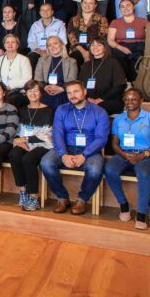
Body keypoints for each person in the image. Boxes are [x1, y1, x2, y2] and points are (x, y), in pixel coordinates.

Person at [40, 80, 108, 216]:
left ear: (85, 92)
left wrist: (84, 155)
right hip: (67, 147)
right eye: (69, 93)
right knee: (46, 162)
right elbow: (57, 133)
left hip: (90, 150)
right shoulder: (62, 109)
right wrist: (63, 154)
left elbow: (101, 138)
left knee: (95, 168)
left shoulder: (99, 112)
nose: (72, 95)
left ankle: (82, 200)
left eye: (76, 91)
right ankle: (62, 198)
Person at [105, 88, 150, 230]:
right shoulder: (119, 119)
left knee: (144, 173)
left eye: (134, 99)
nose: (129, 102)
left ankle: (141, 213)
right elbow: (114, 143)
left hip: (146, 155)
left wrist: (143, 155)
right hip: (124, 154)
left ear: (141, 100)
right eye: (127, 99)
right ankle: (124, 205)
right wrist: (123, 154)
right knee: (109, 169)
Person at [7, 80, 54, 211]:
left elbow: (48, 134)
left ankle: (34, 197)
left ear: (41, 93)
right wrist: (18, 140)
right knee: (14, 154)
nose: (32, 93)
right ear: (26, 93)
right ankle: (23, 191)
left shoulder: (49, 110)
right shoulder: (22, 110)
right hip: (24, 142)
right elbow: (17, 130)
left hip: (43, 144)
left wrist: (26, 139)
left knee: (28, 159)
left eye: (35, 90)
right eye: (29, 91)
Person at [79, 37, 127, 115]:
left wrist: (101, 99)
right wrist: (87, 98)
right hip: (88, 100)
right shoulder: (86, 65)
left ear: (105, 48)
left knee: (94, 110)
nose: (95, 47)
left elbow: (119, 86)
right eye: (92, 45)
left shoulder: (113, 63)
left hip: (109, 100)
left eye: (99, 45)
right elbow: (80, 85)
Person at [107, 0, 147, 81]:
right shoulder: (115, 22)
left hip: (138, 47)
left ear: (134, 7)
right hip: (120, 47)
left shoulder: (144, 21)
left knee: (136, 64)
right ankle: (124, 82)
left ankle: (134, 83)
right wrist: (121, 48)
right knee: (118, 58)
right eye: (122, 6)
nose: (125, 8)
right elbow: (110, 40)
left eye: (128, 5)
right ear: (120, 9)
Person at [34, 36, 77, 109]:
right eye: (49, 45)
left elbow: (72, 81)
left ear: (62, 45)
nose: (52, 47)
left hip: (63, 93)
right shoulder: (42, 60)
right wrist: (45, 87)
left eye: (55, 43)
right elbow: (37, 79)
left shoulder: (71, 61)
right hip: (46, 92)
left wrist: (61, 89)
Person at [0, 34, 32, 106]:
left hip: (17, 92)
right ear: (4, 45)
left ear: (17, 45)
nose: (10, 44)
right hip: (0, 91)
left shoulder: (24, 60)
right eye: (7, 42)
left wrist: (10, 86)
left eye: (13, 42)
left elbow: (27, 80)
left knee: (10, 100)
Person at [67, 0, 108, 65]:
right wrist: (84, 52)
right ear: (81, 4)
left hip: (96, 48)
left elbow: (102, 36)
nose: (87, 5)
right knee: (73, 60)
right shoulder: (73, 19)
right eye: (85, 2)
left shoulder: (102, 19)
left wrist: (92, 50)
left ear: (95, 5)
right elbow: (72, 37)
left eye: (91, 3)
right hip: (78, 49)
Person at [26, 3, 66, 69]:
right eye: (43, 10)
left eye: (48, 10)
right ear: (40, 12)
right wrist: (37, 49)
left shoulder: (59, 24)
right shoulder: (35, 25)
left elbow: (63, 41)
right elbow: (31, 41)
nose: (45, 12)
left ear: (52, 12)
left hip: (54, 51)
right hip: (38, 52)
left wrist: (49, 50)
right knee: (30, 58)